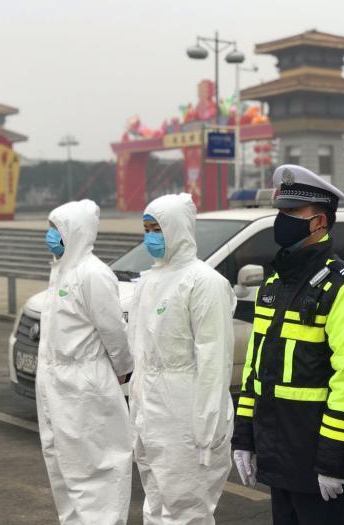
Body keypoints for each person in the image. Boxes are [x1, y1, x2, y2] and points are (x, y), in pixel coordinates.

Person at [232, 165, 344, 525]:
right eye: (280, 211)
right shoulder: (274, 284)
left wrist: (333, 460)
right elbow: (255, 370)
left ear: (319, 222)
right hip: (278, 460)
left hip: (320, 466)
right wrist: (245, 437)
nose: (281, 220)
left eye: (292, 212)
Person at [128, 193, 236, 525]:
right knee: (155, 502)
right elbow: (140, 353)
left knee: (186, 508)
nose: (151, 237)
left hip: (185, 411)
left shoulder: (204, 283)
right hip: (152, 411)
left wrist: (207, 429)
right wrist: (137, 410)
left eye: (157, 229)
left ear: (177, 229)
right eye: (147, 229)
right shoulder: (150, 281)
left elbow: (214, 361)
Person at [36, 199, 133, 525]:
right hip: (56, 383)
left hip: (84, 384)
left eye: (57, 229)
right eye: (50, 227)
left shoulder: (93, 274)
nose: (51, 235)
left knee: (96, 467)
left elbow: (114, 331)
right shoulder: (61, 271)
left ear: (75, 231)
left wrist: (122, 369)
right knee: (63, 466)